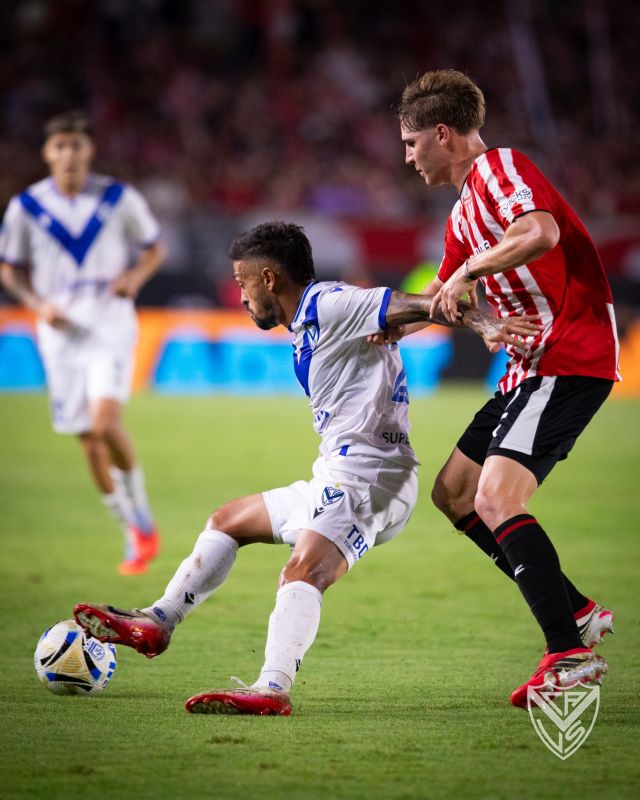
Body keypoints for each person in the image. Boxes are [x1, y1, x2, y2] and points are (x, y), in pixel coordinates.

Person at [72, 221, 538, 716]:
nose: (241, 295)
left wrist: (483, 322)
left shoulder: (330, 303)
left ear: (269, 278)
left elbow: (416, 304)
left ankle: (272, 687)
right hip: (337, 471)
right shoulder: (310, 320)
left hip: (370, 478)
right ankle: (158, 621)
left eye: (242, 282)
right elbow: (400, 316)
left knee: (303, 570)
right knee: (228, 520)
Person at [395, 69, 617, 708]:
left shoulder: (500, 169)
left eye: (411, 143)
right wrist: (369, 322)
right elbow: (441, 300)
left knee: (496, 496)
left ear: (442, 134)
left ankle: (568, 654)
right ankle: (575, 611)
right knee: (455, 493)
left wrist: (469, 271)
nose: (407, 158)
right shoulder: (462, 212)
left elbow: (540, 232)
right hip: (530, 367)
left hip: (568, 354)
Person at [0, 111, 165, 575]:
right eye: (60, 146)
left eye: (76, 145)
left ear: (89, 150)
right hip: (59, 331)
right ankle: (131, 528)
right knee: (88, 440)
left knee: (104, 421)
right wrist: (36, 303)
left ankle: (142, 514)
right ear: (47, 153)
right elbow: (8, 268)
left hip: (109, 321)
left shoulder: (118, 198)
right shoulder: (26, 207)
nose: (69, 154)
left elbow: (155, 249)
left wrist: (134, 277)